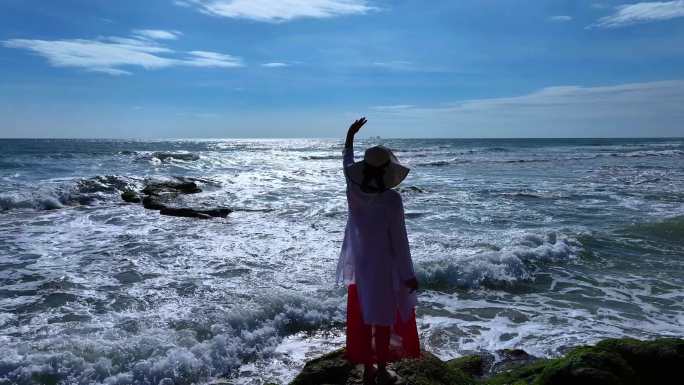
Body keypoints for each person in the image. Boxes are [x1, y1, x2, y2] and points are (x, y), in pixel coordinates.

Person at [336, 117, 421, 384]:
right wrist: (408, 275)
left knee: (364, 315)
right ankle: (382, 370)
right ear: (388, 172)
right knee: (383, 318)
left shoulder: (354, 190)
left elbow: (347, 164)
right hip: (384, 265)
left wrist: (350, 136)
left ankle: (367, 369)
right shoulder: (391, 200)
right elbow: (399, 240)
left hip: (360, 264)